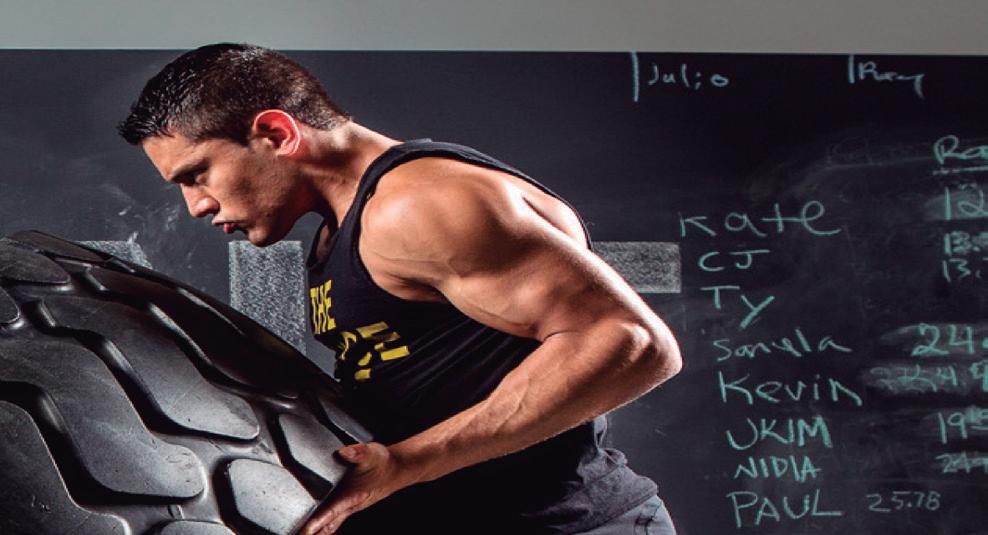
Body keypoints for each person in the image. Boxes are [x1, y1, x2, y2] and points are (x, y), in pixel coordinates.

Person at [119, 43, 682, 535]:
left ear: (276, 134)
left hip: (568, 525)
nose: (196, 205)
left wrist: (407, 462)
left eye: (197, 174)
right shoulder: (347, 220)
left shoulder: (418, 205)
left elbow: (630, 343)